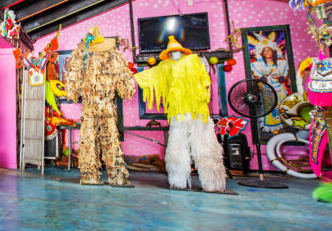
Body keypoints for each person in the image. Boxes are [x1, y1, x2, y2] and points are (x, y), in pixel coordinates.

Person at [135, 36, 227, 192]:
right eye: (172, 52)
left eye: (177, 51)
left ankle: (213, 184)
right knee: (176, 147)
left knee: (205, 146)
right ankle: (178, 181)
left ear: (182, 51)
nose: (175, 54)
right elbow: (146, 77)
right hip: (177, 114)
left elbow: (205, 79)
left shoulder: (193, 61)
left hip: (198, 112)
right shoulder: (165, 66)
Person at [64, 27, 136, 186]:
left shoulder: (83, 54)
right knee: (108, 139)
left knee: (90, 139)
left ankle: (90, 176)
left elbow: (72, 80)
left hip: (92, 105)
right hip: (103, 105)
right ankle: (115, 178)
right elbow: (124, 78)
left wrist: (73, 92)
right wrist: (126, 89)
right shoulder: (111, 54)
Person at [250, 33, 290, 133]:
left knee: (283, 106)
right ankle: (273, 127)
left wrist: (282, 78)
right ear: (262, 53)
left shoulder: (282, 63)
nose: (267, 52)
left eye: (269, 50)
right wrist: (261, 78)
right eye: (265, 51)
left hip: (280, 89)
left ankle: (285, 125)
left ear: (273, 52)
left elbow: (285, 75)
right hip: (267, 90)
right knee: (270, 108)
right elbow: (256, 76)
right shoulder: (257, 65)